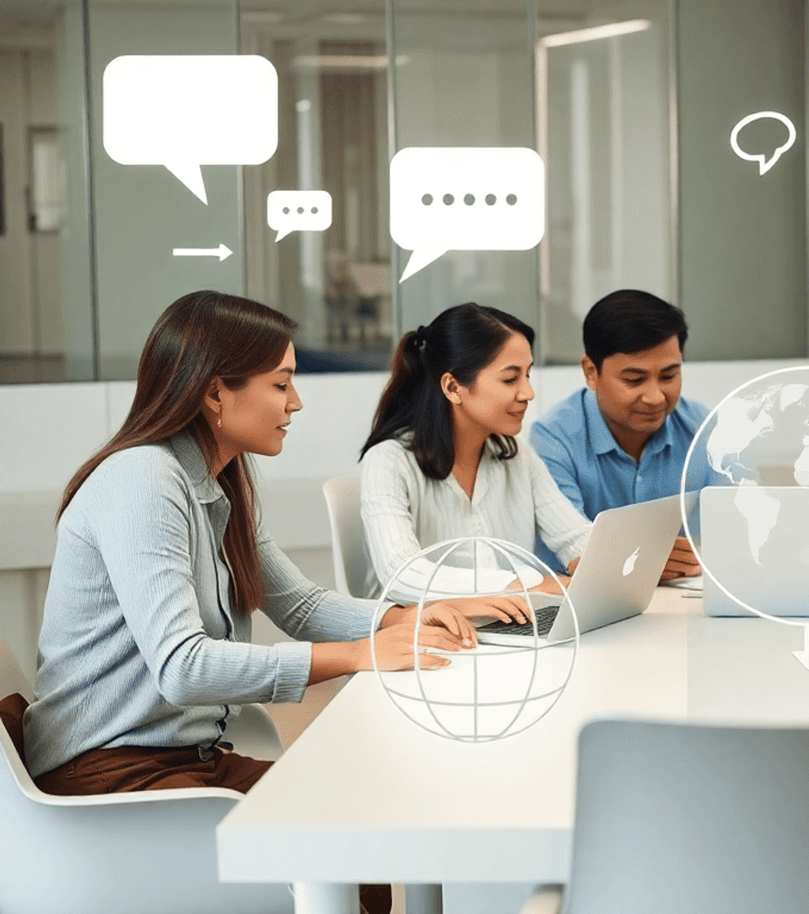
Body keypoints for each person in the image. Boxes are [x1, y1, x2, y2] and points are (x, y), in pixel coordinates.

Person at [16, 292, 528, 914]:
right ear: (215, 393)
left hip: (185, 758)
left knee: (361, 833)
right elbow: (183, 667)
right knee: (340, 854)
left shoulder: (218, 479)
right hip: (108, 776)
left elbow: (301, 605)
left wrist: (403, 619)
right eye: (281, 384)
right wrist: (359, 654)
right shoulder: (142, 480)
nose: (296, 402)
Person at [360, 303, 594, 601]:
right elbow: (403, 575)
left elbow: (574, 539)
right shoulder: (388, 461)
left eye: (527, 375)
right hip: (419, 627)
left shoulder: (516, 455)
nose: (528, 393)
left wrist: (602, 566)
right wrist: (522, 586)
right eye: (510, 379)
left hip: (513, 622)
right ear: (453, 387)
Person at [530, 289, 708, 580]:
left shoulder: (705, 430)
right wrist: (641, 561)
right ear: (591, 371)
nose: (655, 397)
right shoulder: (553, 440)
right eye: (634, 380)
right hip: (581, 602)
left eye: (668, 376)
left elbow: (746, 525)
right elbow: (574, 548)